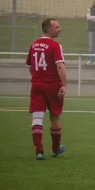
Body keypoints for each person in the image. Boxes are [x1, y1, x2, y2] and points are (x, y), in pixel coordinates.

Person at [25, 18, 67, 160]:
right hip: (52, 86)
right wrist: (64, 84)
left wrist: (38, 78)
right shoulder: (55, 46)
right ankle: (55, 149)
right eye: (57, 27)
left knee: (37, 116)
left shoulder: (34, 45)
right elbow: (60, 66)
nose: (59, 29)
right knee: (55, 116)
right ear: (49, 29)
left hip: (37, 85)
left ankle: (39, 151)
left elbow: (30, 67)